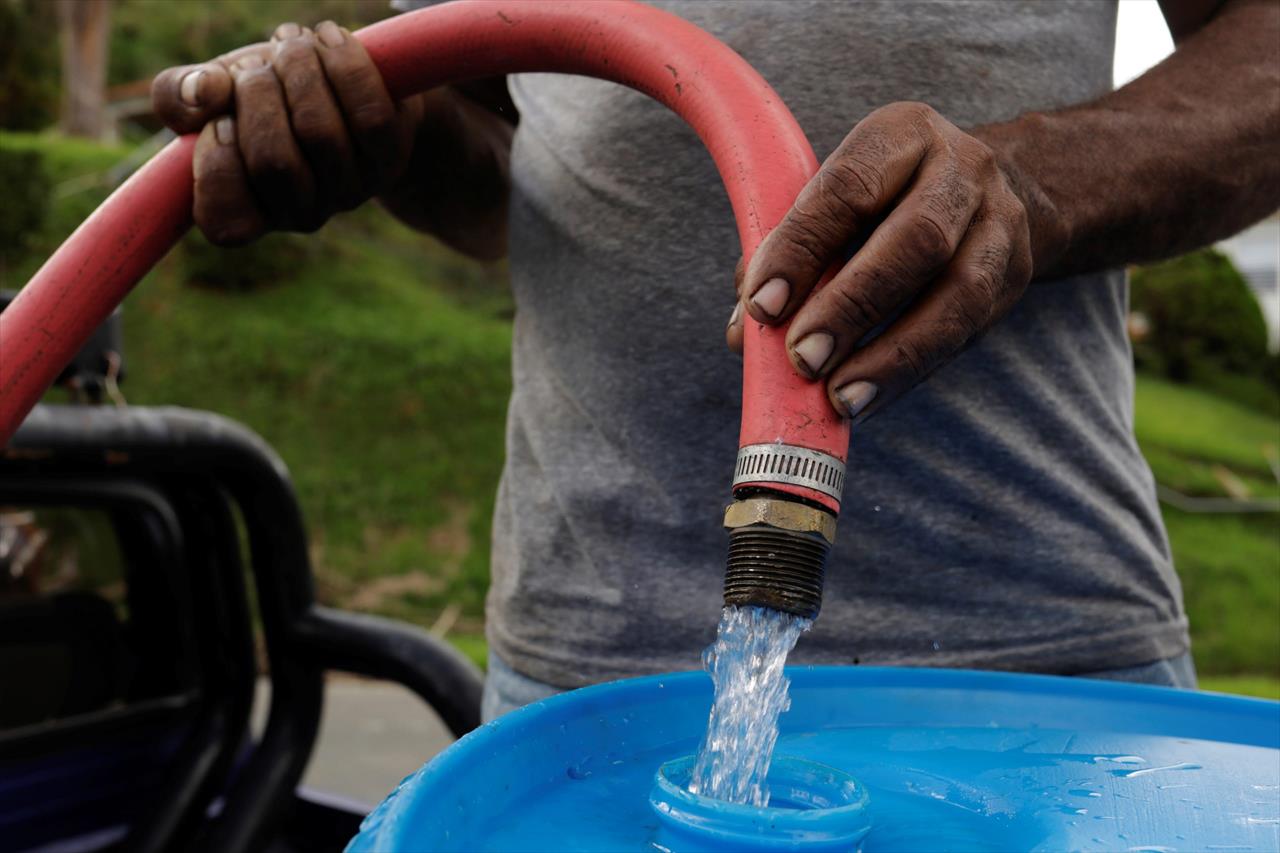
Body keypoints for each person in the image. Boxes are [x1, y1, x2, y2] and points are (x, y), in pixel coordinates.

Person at [151, 0, 1278, 720]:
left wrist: (1037, 186)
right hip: (583, 666)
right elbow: (497, 161)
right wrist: (370, 135)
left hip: (1038, 674)